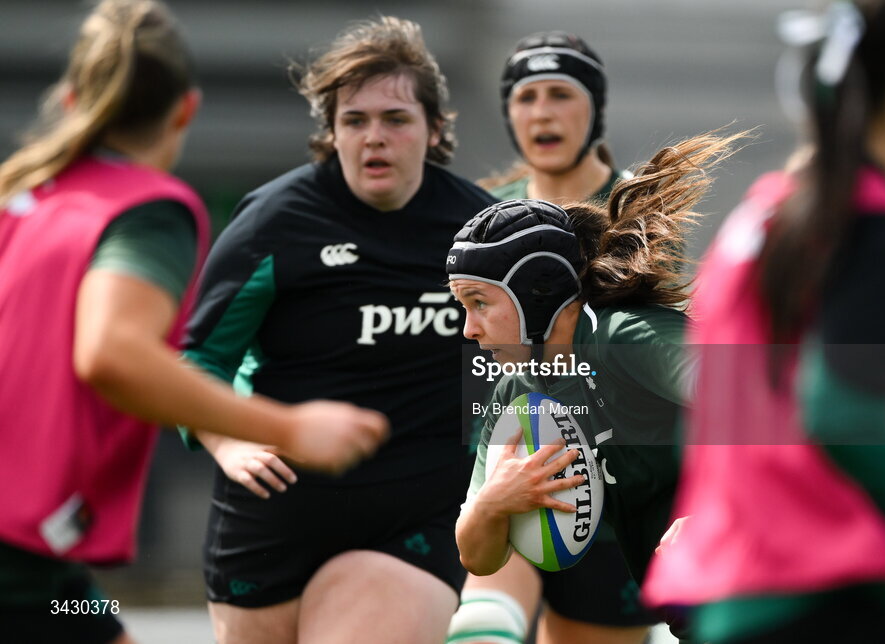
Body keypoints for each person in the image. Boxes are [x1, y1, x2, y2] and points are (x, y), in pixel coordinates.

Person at [0, 2, 388, 644]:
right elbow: (112, 352)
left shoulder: (23, 198)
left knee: (95, 619)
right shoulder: (147, 211)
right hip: (15, 568)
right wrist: (286, 426)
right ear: (187, 109)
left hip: (45, 578)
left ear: (72, 100)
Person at [643, 2, 885, 642]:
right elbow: (840, 412)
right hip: (827, 599)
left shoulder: (759, 223)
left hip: (731, 600)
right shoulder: (881, 232)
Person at [178, 16, 496, 644]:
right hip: (276, 516)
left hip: (414, 518)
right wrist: (228, 444)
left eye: (395, 119)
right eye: (354, 120)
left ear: (433, 130)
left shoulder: (479, 231)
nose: (374, 137)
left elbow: (524, 362)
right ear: (332, 132)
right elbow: (197, 362)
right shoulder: (274, 220)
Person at [447, 132, 744, 644]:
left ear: (536, 294)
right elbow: (478, 556)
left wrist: (719, 514)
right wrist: (495, 501)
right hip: (705, 607)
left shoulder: (623, 336)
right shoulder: (517, 393)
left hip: (779, 581)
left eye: (479, 302)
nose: (468, 329)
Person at [449, 31, 662, 644]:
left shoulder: (644, 221)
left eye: (560, 94)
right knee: (487, 612)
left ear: (594, 107)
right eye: (526, 97)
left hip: (609, 491)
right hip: (509, 455)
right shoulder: (484, 220)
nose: (542, 111)